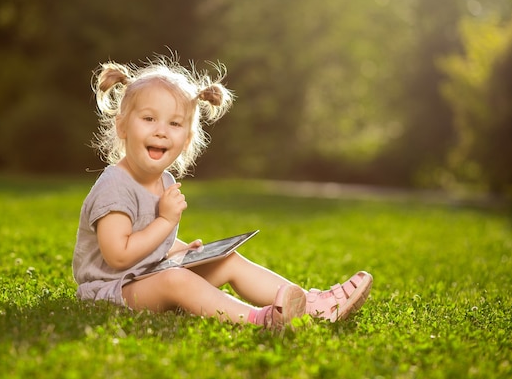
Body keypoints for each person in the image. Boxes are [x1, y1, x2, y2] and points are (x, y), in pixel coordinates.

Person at [72, 56, 373, 329]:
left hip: (144, 278)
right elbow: (119, 255)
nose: (161, 130)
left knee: (227, 260)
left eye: (174, 123)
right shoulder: (115, 185)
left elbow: (145, 235)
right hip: (111, 292)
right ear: (122, 126)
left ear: (187, 139)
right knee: (176, 280)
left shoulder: (163, 180)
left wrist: (180, 249)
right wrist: (165, 222)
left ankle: (313, 305)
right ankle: (260, 319)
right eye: (149, 119)